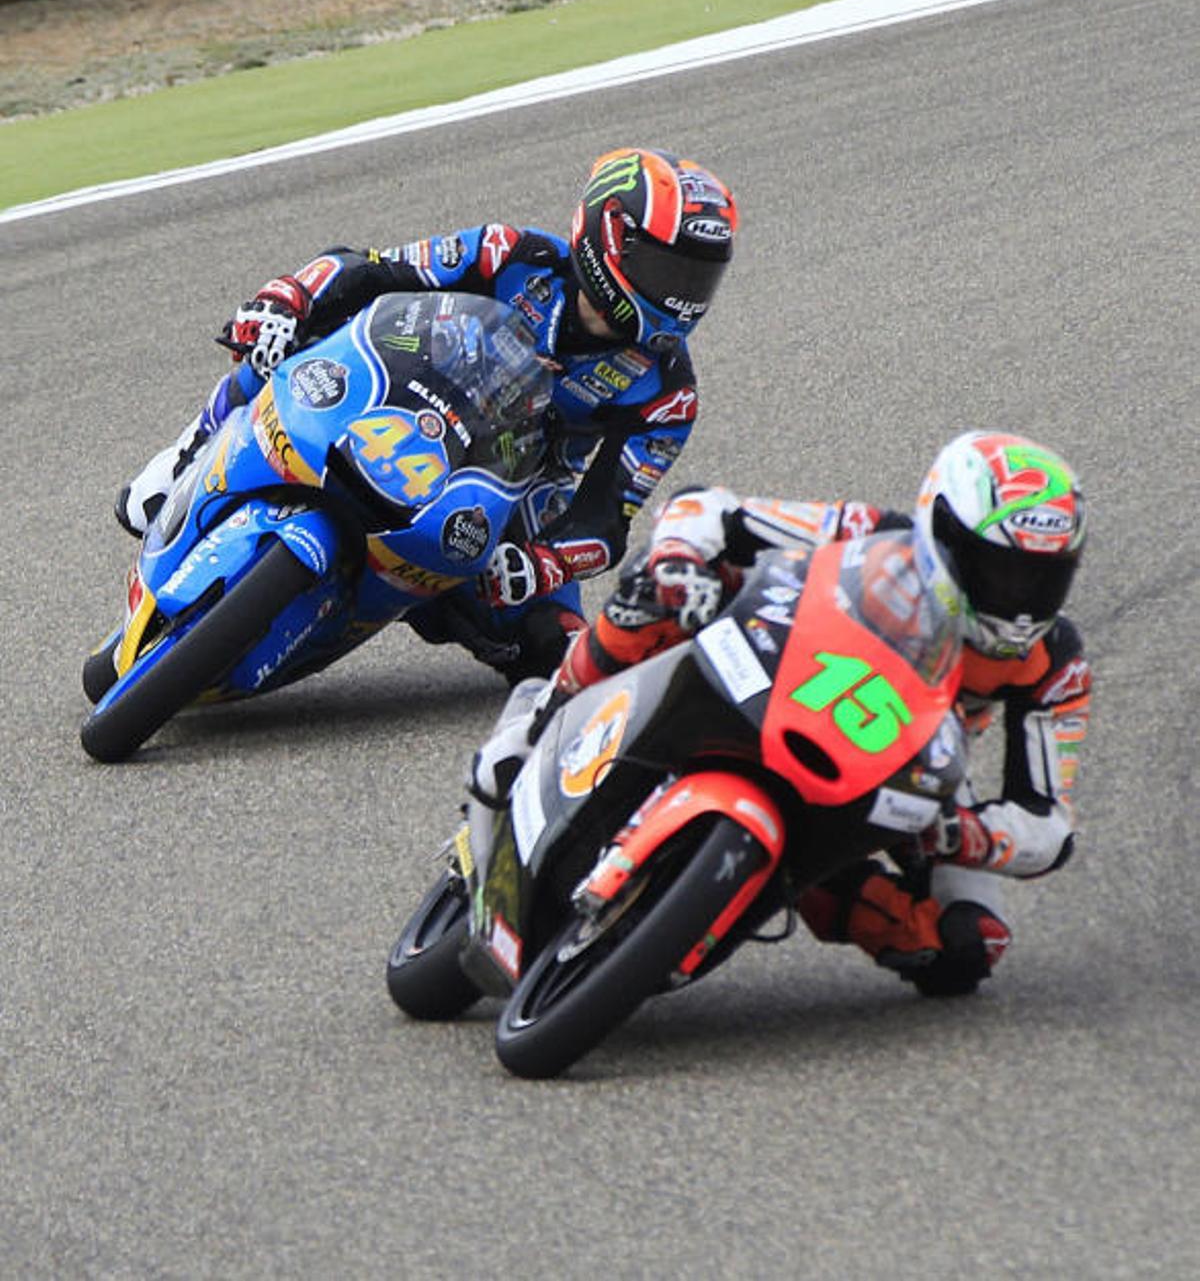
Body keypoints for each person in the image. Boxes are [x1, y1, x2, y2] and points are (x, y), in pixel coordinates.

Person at [470, 431, 1092, 997]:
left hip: (907, 759)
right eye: (1000, 571)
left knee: (968, 943)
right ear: (944, 533)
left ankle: (783, 885)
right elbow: (707, 509)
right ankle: (540, 721)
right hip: (784, 668)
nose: (1020, 600)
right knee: (656, 590)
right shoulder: (873, 535)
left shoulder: (1054, 662)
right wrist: (680, 559)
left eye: (1042, 580)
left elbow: (1049, 822)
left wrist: (970, 833)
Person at [115, 148, 738, 680]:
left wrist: (541, 565)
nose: (682, 296)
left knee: (559, 650)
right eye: (669, 269)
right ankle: (189, 452)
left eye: (698, 280)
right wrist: (288, 298)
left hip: (503, 500)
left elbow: (605, 521)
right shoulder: (507, 254)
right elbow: (371, 269)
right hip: (402, 401)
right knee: (285, 344)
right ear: (608, 239)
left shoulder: (668, 393)